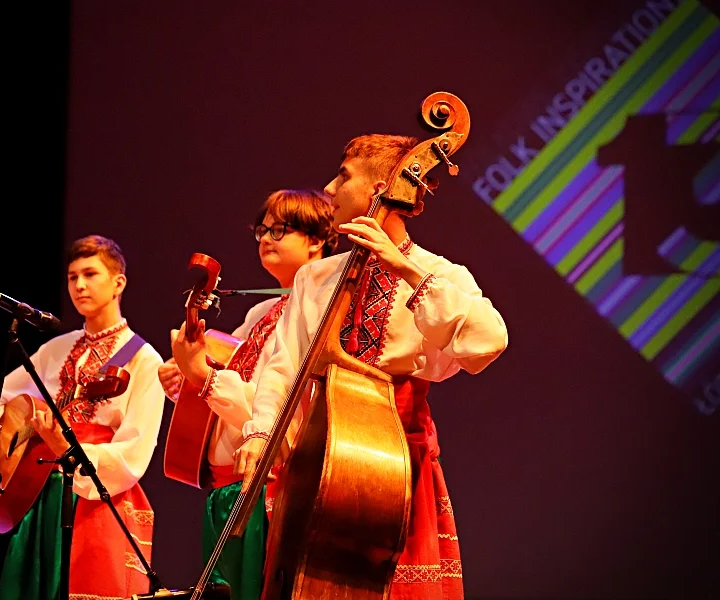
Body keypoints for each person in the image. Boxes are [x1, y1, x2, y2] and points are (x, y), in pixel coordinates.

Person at [234, 135, 510, 599]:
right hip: (316, 462)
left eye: (342, 176)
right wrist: (261, 433)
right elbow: (283, 366)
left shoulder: (436, 273)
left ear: (381, 187)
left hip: (396, 468)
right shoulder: (316, 276)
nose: (329, 187)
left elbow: (488, 341)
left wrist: (403, 269)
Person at [0, 234, 165, 600]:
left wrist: (69, 450)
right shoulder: (56, 349)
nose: (80, 285)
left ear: (118, 282)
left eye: (90, 274)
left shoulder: (143, 360)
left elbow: (134, 451)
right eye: (73, 277)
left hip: (98, 499)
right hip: (40, 495)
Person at [158, 189, 338, 600]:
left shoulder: (323, 306)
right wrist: (185, 383)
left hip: (274, 489)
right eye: (261, 230)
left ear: (316, 241)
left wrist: (201, 375)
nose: (266, 238)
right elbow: (225, 396)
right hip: (230, 489)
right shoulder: (258, 314)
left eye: (280, 229)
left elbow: (278, 414)